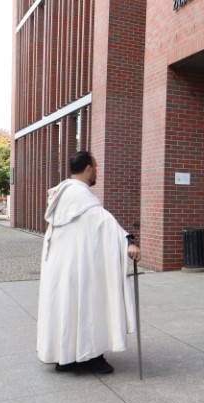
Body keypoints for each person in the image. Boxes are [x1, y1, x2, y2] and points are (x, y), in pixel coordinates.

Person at [37, 151, 141, 374]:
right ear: (88, 169)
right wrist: (128, 242)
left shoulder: (61, 194)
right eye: (96, 167)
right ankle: (90, 357)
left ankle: (65, 358)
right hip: (79, 267)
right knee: (88, 304)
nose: (97, 172)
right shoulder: (82, 197)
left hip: (59, 267)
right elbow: (106, 223)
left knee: (66, 306)